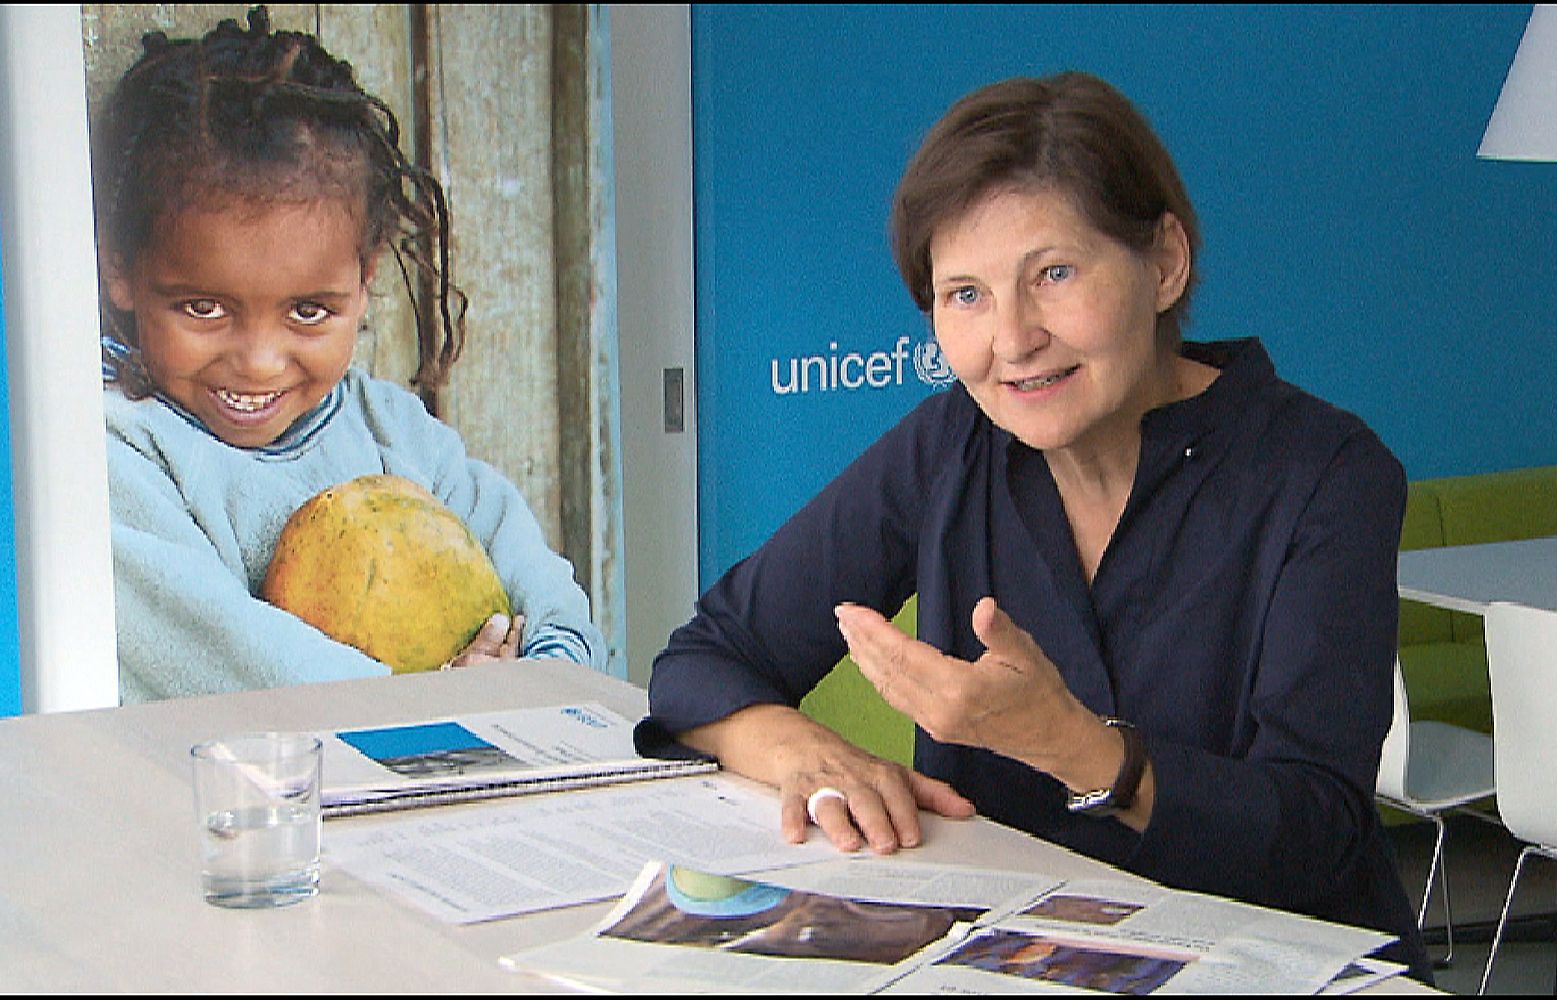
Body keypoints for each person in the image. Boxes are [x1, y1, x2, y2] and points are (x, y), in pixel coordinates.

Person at [640, 70, 1428, 980]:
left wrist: (1078, 749)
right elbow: (705, 657)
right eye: (965, 295)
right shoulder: (950, 445)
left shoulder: (1325, 473)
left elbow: (1319, 830)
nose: (1012, 339)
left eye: (1054, 274)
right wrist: (808, 755)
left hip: (1271, 964)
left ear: (1164, 263)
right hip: (1017, 962)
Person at [95, 7, 604, 703]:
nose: (260, 362)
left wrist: (542, 670)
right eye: (204, 309)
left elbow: (528, 568)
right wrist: (432, 703)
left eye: (308, 312)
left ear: (364, 280)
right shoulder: (121, 456)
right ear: (120, 270)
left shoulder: (390, 430)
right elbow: (230, 655)